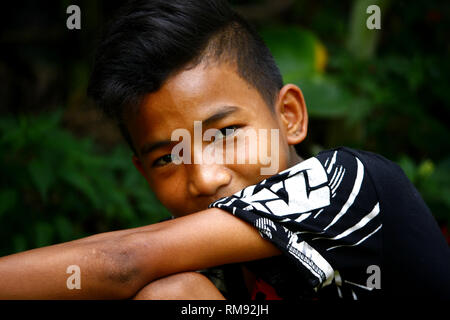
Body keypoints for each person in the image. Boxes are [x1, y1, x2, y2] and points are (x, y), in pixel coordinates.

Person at [1, 0, 449, 300]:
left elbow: (123, 260)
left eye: (226, 132)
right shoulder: (210, 256)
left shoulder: (342, 185)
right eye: (168, 158)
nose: (205, 178)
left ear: (289, 115)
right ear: (142, 171)